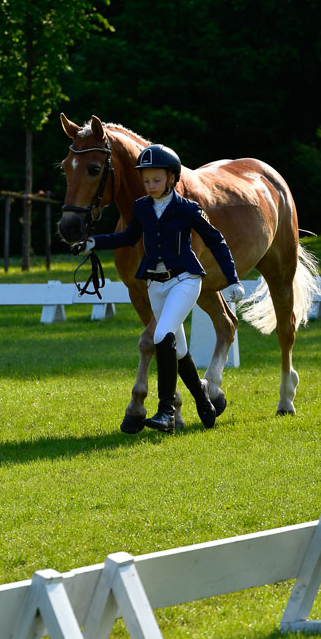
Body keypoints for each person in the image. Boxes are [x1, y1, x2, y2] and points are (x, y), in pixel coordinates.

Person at [74, 144, 244, 434]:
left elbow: (216, 241)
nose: (150, 185)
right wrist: (95, 243)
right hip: (156, 284)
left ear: (172, 179)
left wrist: (232, 278)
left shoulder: (189, 209)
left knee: (162, 335)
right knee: (178, 351)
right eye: (146, 180)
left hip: (185, 280)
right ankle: (203, 400)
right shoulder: (141, 208)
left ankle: (166, 409)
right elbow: (129, 237)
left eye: (156, 180)